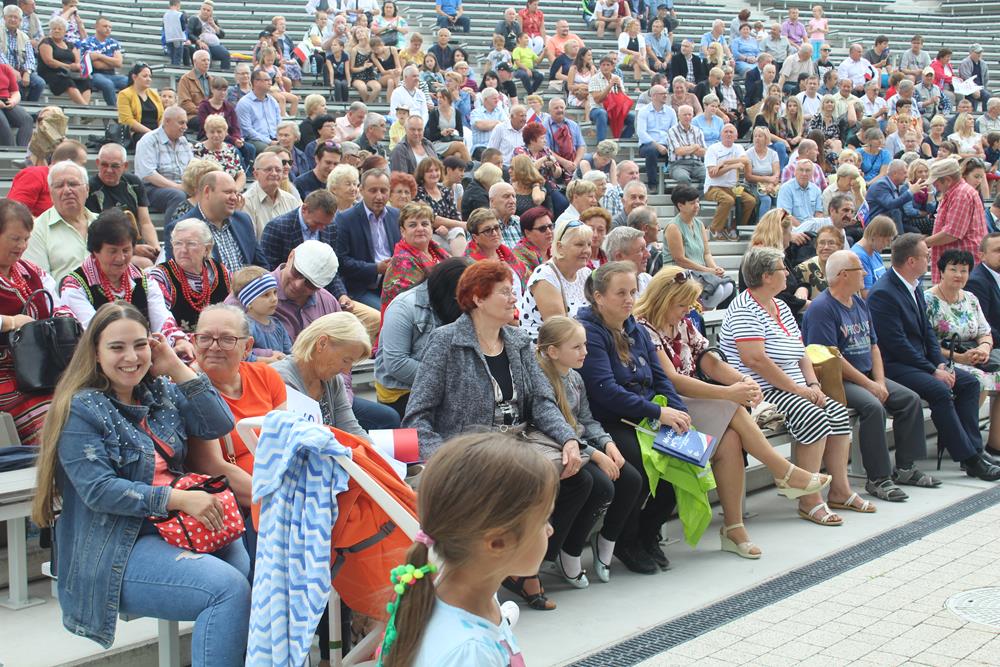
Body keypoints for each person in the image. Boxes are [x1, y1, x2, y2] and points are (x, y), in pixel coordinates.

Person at [31, 302, 249, 664]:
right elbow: (99, 491)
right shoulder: (81, 409)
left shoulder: (160, 392)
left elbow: (218, 423)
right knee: (228, 590)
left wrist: (176, 366)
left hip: (178, 526)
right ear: (96, 353)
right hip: (117, 543)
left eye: (139, 345)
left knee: (245, 576)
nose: (131, 357)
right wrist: (176, 499)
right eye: (117, 347)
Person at [403, 260, 593, 608]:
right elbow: (417, 416)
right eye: (505, 292)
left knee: (581, 477)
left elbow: (542, 401)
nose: (513, 298)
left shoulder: (518, 341)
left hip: (517, 440)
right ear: (478, 298)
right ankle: (516, 570)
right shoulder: (445, 342)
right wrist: (446, 459)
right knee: (522, 480)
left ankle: (525, 563)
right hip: (471, 449)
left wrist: (568, 438)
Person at [636, 266, 832, 554]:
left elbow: (708, 360)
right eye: (681, 305)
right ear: (663, 301)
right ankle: (784, 472)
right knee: (732, 405)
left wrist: (742, 380)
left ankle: (734, 527)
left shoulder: (682, 321)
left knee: (731, 439)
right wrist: (729, 392)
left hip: (693, 403)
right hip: (667, 407)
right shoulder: (644, 327)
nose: (687, 310)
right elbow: (673, 381)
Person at [377, 432, 556, 667]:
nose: (550, 530)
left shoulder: (456, 594)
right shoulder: (471, 653)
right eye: (543, 520)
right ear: (497, 543)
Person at [720, 246, 859, 525]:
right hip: (762, 392)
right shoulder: (745, 309)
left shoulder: (781, 306)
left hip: (794, 386)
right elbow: (756, 360)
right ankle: (809, 500)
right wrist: (799, 390)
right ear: (766, 276)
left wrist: (812, 384)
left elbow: (801, 351)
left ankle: (840, 490)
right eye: (782, 269)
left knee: (837, 412)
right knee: (813, 415)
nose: (788, 272)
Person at [575, 262, 685, 572]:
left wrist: (679, 413)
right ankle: (626, 539)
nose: (629, 299)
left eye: (633, 292)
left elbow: (661, 377)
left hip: (645, 416)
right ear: (599, 297)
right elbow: (605, 391)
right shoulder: (589, 331)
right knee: (642, 466)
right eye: (621, 293)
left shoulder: (634, 327)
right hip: (609, 421)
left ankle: (649, 533)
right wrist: (658, 412)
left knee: (680, 461)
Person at [867, 234, 1000, 480]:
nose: (929, 259)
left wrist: (940, 362)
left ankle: (975, 450)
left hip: (919, 362)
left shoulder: (913, 285)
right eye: (926, 256)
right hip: (895, 366)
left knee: (969, 383)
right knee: (939, 389)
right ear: (911, 261)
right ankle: (970, 459)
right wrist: (932, 370)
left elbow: (927, 332)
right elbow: (896, 344)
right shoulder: (884, 292)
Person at [805, 247, 934, 500]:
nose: (865, 273)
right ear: (843, 274)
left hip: (865, 376)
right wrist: (869, 384)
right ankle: (878, 479)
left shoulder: (860, 303)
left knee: (909, 399)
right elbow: (832, 359)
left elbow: (874, 346)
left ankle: (906, 468)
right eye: (859, 269)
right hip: (836, 380)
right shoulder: (822, 309)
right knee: (873, 407)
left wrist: (879, 380)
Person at [59, 209, 194, 358]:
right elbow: (93, 331)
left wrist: (179, 341)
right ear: (95, 251)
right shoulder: (75, 286)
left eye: (126, 250)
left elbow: (162, 319)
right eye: (112, 251)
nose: (121, 258)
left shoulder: (145, 280)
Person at [192, 303, 287, 481]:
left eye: (227, 339)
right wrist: (271, 495)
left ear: (247, 347)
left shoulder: (266, 376)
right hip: (242, 493)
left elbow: (284, 440)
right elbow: (213, 467)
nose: (214, 347)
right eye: (205, 338)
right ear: (193, 342)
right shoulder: (189, 391)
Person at [377, 257, 470, 418]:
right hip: (402, 391)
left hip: (444, 386)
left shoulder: (459, 303)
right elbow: (396, 363)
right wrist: (446, 377)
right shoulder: (404, 307)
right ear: (450, 289)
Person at [0, 200, 59, 445]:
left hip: (42, 370)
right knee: (48, 415)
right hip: (6, 374)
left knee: (81, 402)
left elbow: (58, 306)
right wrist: (10, 321)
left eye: (26, 239)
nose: (22, 246)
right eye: (15, 239)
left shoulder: (29, 270)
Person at [272, 311, 372, 437]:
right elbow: (298, 441)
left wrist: (373, 450)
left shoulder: (333, 380)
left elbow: (351, 429)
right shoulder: (279, 379)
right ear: (322, 343)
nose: (347, 370)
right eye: (346, 360)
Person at [149, 218, 230, 334]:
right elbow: (160, 321)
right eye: (178, 243)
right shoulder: (161, 276)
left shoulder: (222, 272)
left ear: (207, 249)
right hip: (178, 342)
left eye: (191, 244)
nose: (183, 250)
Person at [335, 167, 401, 309]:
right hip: (361, 288)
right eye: (373, 191)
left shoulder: (396, 216)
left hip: (394, 284)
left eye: (383, 191)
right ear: (361, 190)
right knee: (387, 313)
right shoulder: (345, 219)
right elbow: (341, 261)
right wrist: (375, 268)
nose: (379, 196)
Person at [519, 218, 593, 341]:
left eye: (589, 244)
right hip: (548, 347)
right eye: (579, 244)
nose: (586, 250)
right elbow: (560, 331)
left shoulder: (585, 273)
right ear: (560, 247)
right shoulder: (545, 276)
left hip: (580, 343)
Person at [658, 184, 731, 309]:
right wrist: (707, 271)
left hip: (700, 272)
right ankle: (700, 312)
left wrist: (715, 268)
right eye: (692, 203)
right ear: (680, 206)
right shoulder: (673, 227)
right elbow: (680, 259)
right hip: (680, 272)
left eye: (697, 202)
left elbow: (706, 253)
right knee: (717, 290)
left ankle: (702, 311)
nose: (697, 205)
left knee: (728, 286)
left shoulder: (699, 224)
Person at [24, 160, 97, 283]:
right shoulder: (36, 230)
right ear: (51, 193)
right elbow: (39, 283)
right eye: (59, 186)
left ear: (87, 189)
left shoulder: (103, 223)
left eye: (73, 184)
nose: (67, 190)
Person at [926, 158, 987, 282]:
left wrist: (922, 243)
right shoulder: (957, 193)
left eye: (936, 182)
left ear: (947, 180)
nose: (935, 186)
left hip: (959, 266)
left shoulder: (961, 195)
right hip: (957, 264)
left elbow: (952, 234)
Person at [381, 201, 450, 310]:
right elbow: (417, 303)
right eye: (413, 225)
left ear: (431, 228)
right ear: (403, 231)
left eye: (425, 224)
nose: (420, 229)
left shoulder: (437, 250)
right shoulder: (401, 262)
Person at [134, 107, 194, 223]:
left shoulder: (184, 142)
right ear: (167, 121)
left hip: (181, 186)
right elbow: (148, 174)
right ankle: (171, 233)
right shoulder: (149, 140)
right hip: (152, 188)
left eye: (186, 123)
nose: (185, 127)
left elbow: (191, 168)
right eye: (181, 123)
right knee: (178, 195)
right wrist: (177, 186)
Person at [703, 123, 755, 241]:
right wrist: (731, 166)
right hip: (713, 187)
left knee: (750, 201)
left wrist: (724, 163)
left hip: (731, 188)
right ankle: (714, 229)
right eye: (726, 131)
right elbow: (712, 174)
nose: (728, 134)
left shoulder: (738, 148)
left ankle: (734, 228)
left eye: (731, 132)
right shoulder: (713, 149)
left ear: (736, 136)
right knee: (728, 200)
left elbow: (745, 160)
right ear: (721, 135)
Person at [240, 154, 300, 239]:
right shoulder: (245, 202)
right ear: (256, 174)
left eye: (278, 170)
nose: (274, 173)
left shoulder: (291, 200)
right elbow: (249, 240)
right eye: (268, 169)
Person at [635, 84, 676, 190]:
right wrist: (657, 145)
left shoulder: (671, 112)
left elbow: (674, 132)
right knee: (652, 150)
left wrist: (668, 145)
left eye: (666, 93)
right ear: (654, 96)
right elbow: (641, 133)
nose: (665, 96)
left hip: (666, 143)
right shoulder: (644, 111)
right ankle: (652, 184)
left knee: (678, 150)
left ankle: (674, 182)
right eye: (662, 94)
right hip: (648, 145)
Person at [1, 5, 44, 103]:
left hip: (21, 70)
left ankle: (30, 108)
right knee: (16, 83)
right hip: (3, 70)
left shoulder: (24, 37)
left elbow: (30, 58)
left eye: (15, 17)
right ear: (4, 18)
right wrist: (11, 70)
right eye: (10, 16)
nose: (13, 19)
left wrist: (27, 73)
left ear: (20, 21)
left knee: (39, 83)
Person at [235, 69, 281, 155]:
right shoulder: (244, 103)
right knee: (271, 152)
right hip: (254, 140)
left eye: (270, 80)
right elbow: (247, 130)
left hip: (275, 138)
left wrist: (280, 137)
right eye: (267, 80)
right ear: (256, 82)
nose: (270, 83)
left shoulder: (272, 101)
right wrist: (269, 141)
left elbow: (279, 123)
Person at [194, 114, 246, 191]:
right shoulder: (198, 149)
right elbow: (195, 178)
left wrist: (235, 190)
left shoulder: (231, 149)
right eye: (212, 132)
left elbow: (241, 174)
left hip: (231, 191)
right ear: (206, 133)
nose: (216, 135)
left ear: (225, 132)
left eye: (219, 131)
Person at [117, 63, 162, 149]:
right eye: (145, 76)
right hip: (137, 133)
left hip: (156, 131)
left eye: (150, 76)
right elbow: (127, 120)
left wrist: (161, 132)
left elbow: (161, 117)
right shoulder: (124, 94)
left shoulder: (154, 94)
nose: (148, 79)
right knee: (149, 141)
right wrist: (151, 133)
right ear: (134, 77)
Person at [851, 215, 896, 297]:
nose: (888, 244)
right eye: (887, 240)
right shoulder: (859, 256)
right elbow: (865, 294)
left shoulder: (875, 253)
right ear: (875, 235)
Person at [666, 105, 706, 188]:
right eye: (684, 115)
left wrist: (686, 148)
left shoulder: (698, 131)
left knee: (708, 176)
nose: (687, 117)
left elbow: (704, 152)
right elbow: (679, 151)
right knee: (683, 178)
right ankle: (686, 196)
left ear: (693, 116)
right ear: (679, 116)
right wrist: (695, 146)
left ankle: (699, 195)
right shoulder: (672, 131)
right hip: (678, 165)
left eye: (689, 114)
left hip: (697, 164)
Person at [187, 1, 230, 70]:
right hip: (201, 45)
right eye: (204, 9)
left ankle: (224, 74)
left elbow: (222, 35)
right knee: (207, 56)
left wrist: (214, 25)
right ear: (200, 9)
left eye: (208, 10)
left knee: (226, 54)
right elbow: (189, 33)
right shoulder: (194, 19)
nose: (205, 12)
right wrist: (199, 42)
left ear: (211, 12)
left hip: (214, 45)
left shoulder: (213, 20)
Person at [512, 206, 554, 276]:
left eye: (550, 226)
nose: (549, 231)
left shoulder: (557, 249)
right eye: (542, 229)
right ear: (528, 233)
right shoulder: (519, 257)